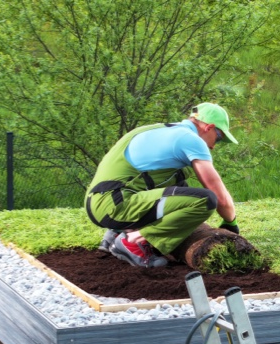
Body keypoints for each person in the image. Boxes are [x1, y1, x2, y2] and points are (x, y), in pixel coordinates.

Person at [85, 102, 240, 267]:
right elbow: (219, 197)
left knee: (180, 184)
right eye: (220, 137)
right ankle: (134, 242)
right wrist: (231, 223)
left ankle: (115, 234)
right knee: (206, 200)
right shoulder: (191, 140)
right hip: (115, 205)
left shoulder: (155, 130)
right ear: (209, 127)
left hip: (101, 202)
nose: (214, 146)